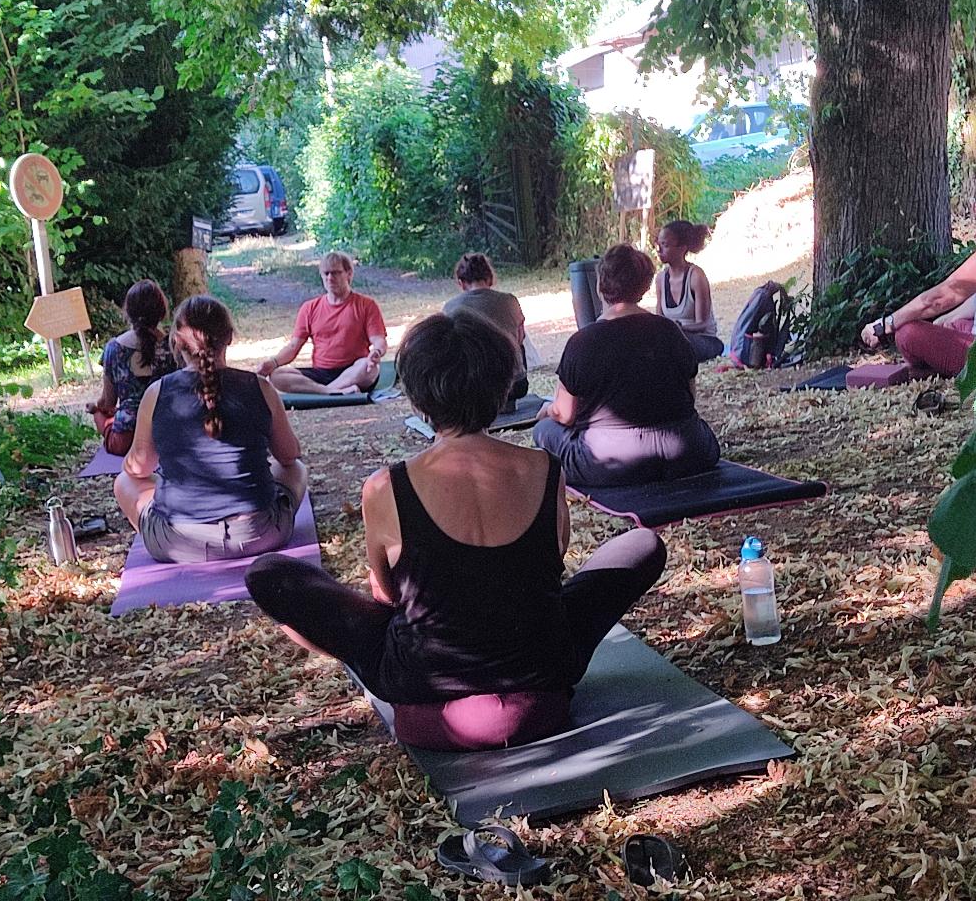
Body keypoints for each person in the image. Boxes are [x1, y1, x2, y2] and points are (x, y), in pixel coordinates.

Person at [244, 311, 667, 752]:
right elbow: (551, 569)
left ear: (416, 396)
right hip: (544, 667)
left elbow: (386, 596)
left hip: (421, 679)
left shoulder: (385, 487)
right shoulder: (544, 468)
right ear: (503, 386)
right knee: (643, 545)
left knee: (270, 576)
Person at [114, 295, 308, 564]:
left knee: (124, 481)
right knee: (296, 469)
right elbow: (289, 456)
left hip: (178, 542)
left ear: (177, 342)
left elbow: (139, 468)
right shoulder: (260, 387)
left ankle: (169, 540)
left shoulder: (156, 394)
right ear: (229, 337)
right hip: (259, 534)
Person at [533, 243, 721, 487]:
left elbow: (565, 415)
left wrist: (547, 411)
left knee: (544, 430)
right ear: (643, 287)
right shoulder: (671, 332)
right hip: (689, 452)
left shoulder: (582, 342)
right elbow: (689, 397)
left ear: (601, 286)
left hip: (611, 463)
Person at [860, 176, 976, 377]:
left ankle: (933, 369)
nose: (973, 212)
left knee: (908, 333)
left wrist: (886, 324)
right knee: (955, 324)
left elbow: (938, 298)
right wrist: (946, 319)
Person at [257, 251, 388, 395]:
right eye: (326, 274)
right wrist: (273, 363)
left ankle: (328, 390)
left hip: (354, 370)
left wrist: (376, 352)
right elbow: (293, 347)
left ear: (349, 274)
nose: (330, 278)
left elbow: (379, 340)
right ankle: (331, 391)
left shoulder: (366, 305)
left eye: (336, 273)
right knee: (277, 375)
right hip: (320, 373)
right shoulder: (309, 308)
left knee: (369, 368)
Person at [86, 279, 177, 456]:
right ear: (162, 310)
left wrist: (95, 408)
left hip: (126, 439)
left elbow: (107, 402)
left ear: (128, 311)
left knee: (99, 411)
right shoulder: (174, 346)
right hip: (168, 434)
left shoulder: (114, 348)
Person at [442, 251, 529, 410]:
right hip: (515, 385)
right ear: (490, 279)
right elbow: (520, 337)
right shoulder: (509, 301)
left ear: (461, 283)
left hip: (470, 387)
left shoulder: (450, 308)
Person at [655, 220, 724, 361]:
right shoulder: (660, 279)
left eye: (665, 245)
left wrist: (678, 328)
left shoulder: (696, 276)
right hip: (674, 338)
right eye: (659, 244)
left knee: (675, 344)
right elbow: (659, 320)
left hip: (703, 341)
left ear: (682, 248)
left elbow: (702, 324)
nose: (659, 250)